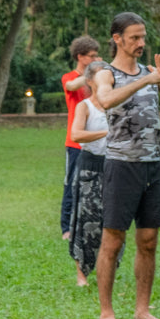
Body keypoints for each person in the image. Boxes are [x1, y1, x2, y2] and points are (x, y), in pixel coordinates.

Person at [91, 13, 160, 319]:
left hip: (153, 165)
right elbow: (105, 100)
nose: (141, 43)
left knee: (148, 240)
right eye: (135, 38)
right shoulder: (104, 72)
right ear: (117, 39)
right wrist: (145, 81)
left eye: (143, 37)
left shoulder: (152, 74)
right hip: (121, 165)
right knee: (113, 240)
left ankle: (141, 310)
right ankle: (106, 314)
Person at [67, 59, 111, 287]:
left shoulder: (116, 105)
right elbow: (76, 134)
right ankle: (81, 274)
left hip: (113, 168)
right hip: (89, 168)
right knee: (85, 220)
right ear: (91, 81)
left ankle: (107, 268)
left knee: (111, 222)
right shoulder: (85, 106)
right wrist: (106, 132)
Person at [60, 35, 101, 240]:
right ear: (80, 56)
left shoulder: (97, 77)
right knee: (71, 184)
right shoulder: (70, 77)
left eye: (96, 56)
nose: (94, 59)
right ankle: (66, 228)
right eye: (91, 56)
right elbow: (72, 86)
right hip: (75, 142)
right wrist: (92, 73)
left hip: (96, 141)